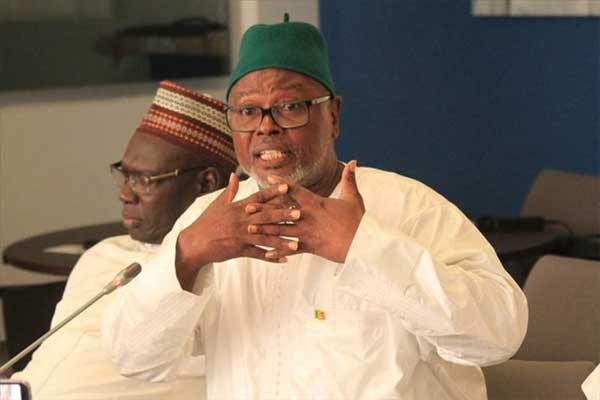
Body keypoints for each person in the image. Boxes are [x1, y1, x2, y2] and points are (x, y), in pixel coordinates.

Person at [102, 15, 528, 399]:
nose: (265, 127)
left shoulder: (407, 207)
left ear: (334, 116)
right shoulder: (210, 218)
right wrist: (187, 255)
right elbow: (134, 359)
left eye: (290, 107)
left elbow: (498, 336)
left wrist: (364, 247)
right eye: (247, 111)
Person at [11, 80, 237, 400]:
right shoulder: (102, 254)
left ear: (206, 183)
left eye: (144, 179)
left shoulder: (232, 276)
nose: (125, 193)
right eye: (125, 174)